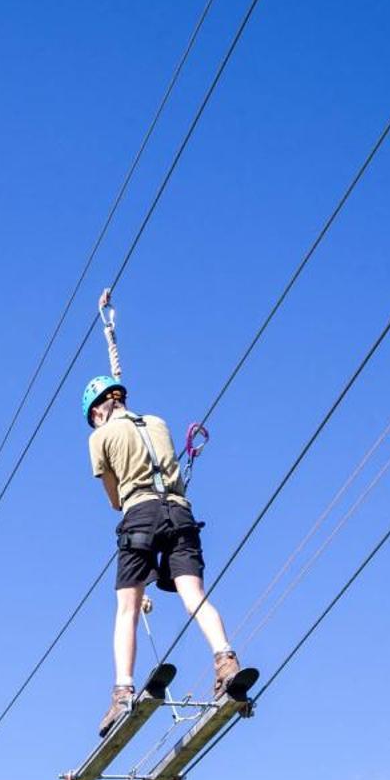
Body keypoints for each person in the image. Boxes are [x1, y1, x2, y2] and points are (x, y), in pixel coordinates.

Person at [84, 290, 241, 737]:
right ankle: (226, 660)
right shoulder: (158, 423)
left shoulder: (100, 436)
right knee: (195, 595)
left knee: (126, 608)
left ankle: (121, 692)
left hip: (140, 515)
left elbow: (115, 498)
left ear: (97, 411)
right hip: (181, 513)